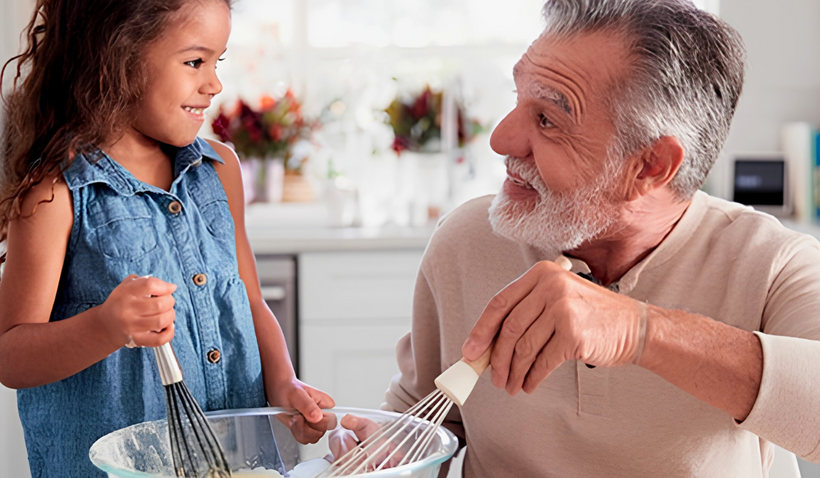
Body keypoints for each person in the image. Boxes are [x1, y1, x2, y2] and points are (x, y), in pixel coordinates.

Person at [334, 0, 820, 476]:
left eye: (547, 120)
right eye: (517, 101)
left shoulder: (771, 265)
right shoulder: (466, 241)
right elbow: (427, 419)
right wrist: (387, 450)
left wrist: (639, 331)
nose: (501, 140)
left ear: (649, 166)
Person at [0, 1, 334, 476]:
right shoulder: (56, 192)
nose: (214, 82)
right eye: (195, 61)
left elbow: (252, 303)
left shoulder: (220, 171)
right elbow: (10, 354)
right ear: (119, 57)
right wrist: (106, 326)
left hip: (239, 463)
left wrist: (284, 384)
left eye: (218, 61)